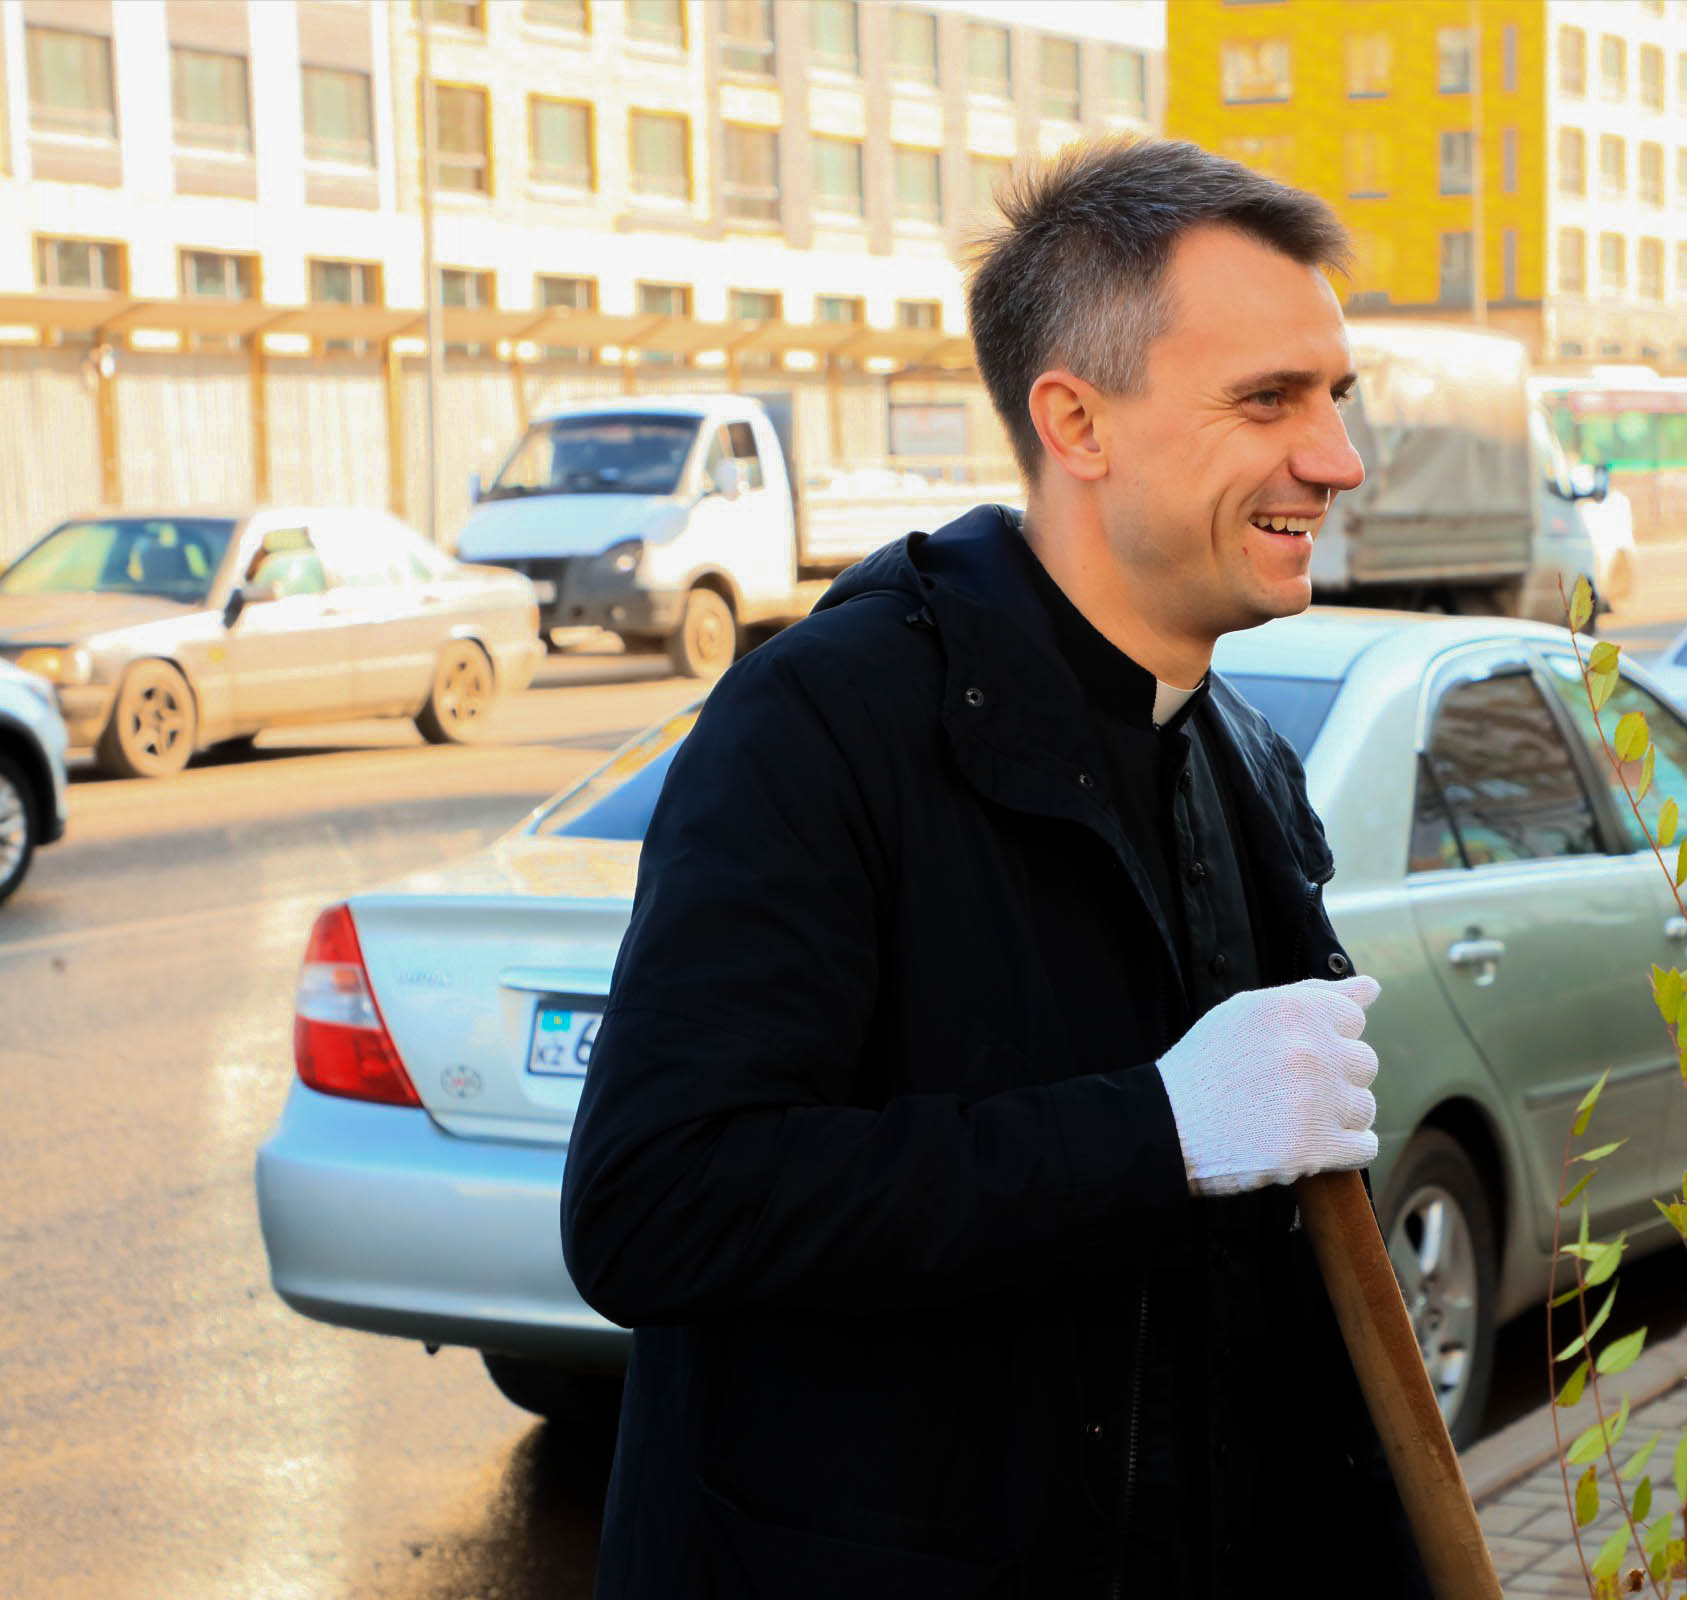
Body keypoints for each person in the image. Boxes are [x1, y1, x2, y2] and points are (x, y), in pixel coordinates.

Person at [560, 139, 1430, 1598]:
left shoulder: (1243, 764)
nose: (1337, 458)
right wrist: (1151, 1133)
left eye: (1336, 397)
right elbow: (655, 1205)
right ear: (1076, 421)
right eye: (1268, 400)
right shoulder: (822, 726)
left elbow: (1270, 1320)